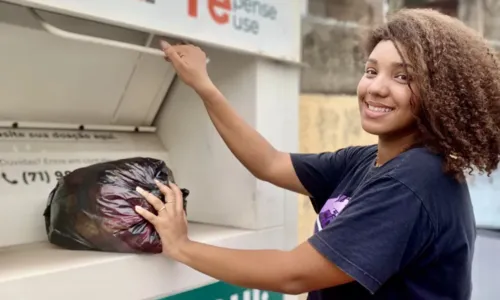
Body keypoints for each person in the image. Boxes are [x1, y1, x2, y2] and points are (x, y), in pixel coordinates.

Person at [134, 8, 500, 300]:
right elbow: (270, 163)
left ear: (442, 93)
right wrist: (205, 86)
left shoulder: (413, 182)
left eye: (403, 77)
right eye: (371, 70)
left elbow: (293, 273)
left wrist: (182, 247)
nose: (376, 87)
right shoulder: (367, 161)